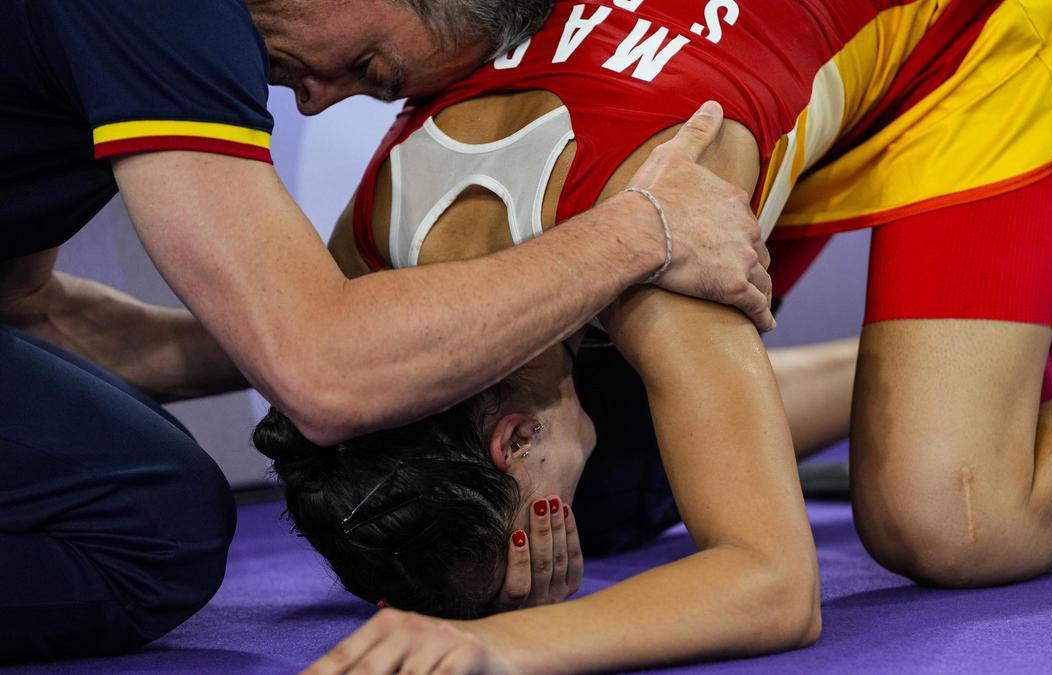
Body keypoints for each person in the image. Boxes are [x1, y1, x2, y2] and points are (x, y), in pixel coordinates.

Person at [268, 0, 1052, 672]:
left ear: (511, 441)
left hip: (971, 35)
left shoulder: (659, 230)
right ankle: (998, 379)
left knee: (946, 518)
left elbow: (774, 587)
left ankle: (985, 410)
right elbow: (311, 362)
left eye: (519, 544)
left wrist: (490, 641)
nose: (540, 564)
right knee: (651, 451)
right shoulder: (378, 240)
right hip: (757, 67)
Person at [0, 0, 777, 662]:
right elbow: (325, 371)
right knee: (159, 524)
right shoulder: (179, 24)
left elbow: (32, 308)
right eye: (370, 68)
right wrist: (641, 233)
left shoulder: (379, 226)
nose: (310, 104)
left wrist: (368, 338)